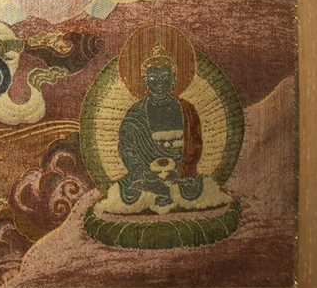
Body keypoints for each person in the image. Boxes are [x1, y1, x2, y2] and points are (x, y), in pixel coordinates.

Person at [95, 44, 232, 216]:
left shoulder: (186, 110)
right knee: (126, 194)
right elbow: (126, 149)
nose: (159, 83)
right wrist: (142, 172)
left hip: (180, 175)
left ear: (173, 79)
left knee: (199, 189)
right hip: (146, 177)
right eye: (153, 78)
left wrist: (180, 172)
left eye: (164, 77)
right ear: (145, 81)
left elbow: (195, 146)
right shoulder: (136, 112)